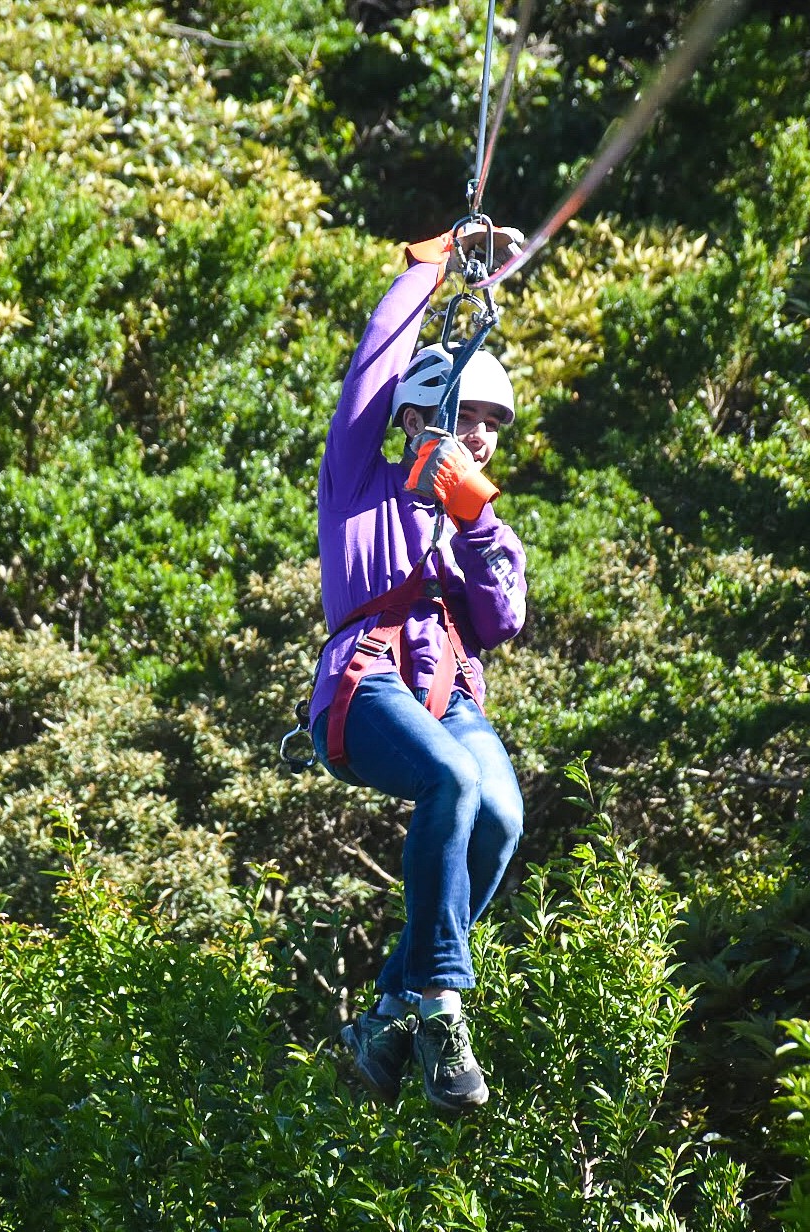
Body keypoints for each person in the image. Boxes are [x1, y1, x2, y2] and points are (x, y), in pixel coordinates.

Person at [311, 225, 529, 1114]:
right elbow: (373, 366)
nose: (480, 435)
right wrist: (433, 264)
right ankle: (440, 1000)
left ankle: (392, 1011)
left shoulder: (481, 520)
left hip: (450, 697)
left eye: (491, 425)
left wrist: (472, 517)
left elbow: (501, 617)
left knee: (502, 819)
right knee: (447, 779)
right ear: (419, 418)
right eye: (466, 417)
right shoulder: (360, 485)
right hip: (366, 685)